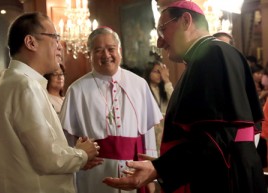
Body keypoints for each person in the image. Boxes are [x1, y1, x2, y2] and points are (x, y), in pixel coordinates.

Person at [103, 1, 267, 193]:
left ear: (186, 21)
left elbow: (218, 137)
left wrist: (160, 168)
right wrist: (164, 164)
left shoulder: (213, 54)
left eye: (162, 30)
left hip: (225, 179)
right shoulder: (209, 56)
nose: (159, 42)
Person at [0, 12, 101, 193]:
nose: (60, 46)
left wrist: (76, 160)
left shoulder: (5, 83)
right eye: (55, 37)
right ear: (31, 43)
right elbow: (47, 158)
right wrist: (82, 154)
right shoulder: (25, 85)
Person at [59, 27, 163, 193]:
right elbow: (67, 139)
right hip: (93, 174)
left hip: (133, 171)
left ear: (119, 51)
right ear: (90, 54)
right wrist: (76, 163)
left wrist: (151, 174)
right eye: (98, 50)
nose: (106, 55)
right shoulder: (77, 89)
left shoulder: (139, 84)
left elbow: (148, 135)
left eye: (111, 49)